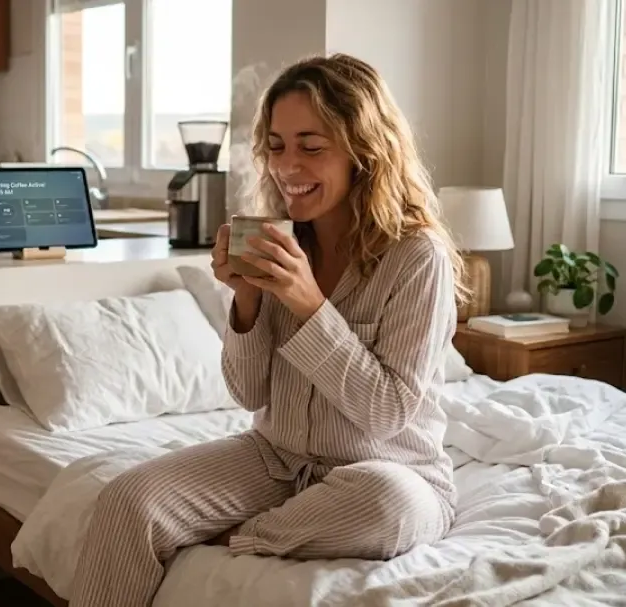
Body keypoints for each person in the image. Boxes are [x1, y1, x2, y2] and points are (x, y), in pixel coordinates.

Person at [68, 53, 469, 607]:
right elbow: (246, 393)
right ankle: (281, 523)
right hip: (274, 458)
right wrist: (248, 302)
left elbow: (388, 412)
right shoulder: (282, 240)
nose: (288, 167)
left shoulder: (416, 256)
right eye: (277, 146)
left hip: (388, 471)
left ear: (363, 150)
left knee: (387, 505)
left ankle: (240, 536)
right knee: (126, 502)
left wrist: (308, 304)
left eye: (312, 146)